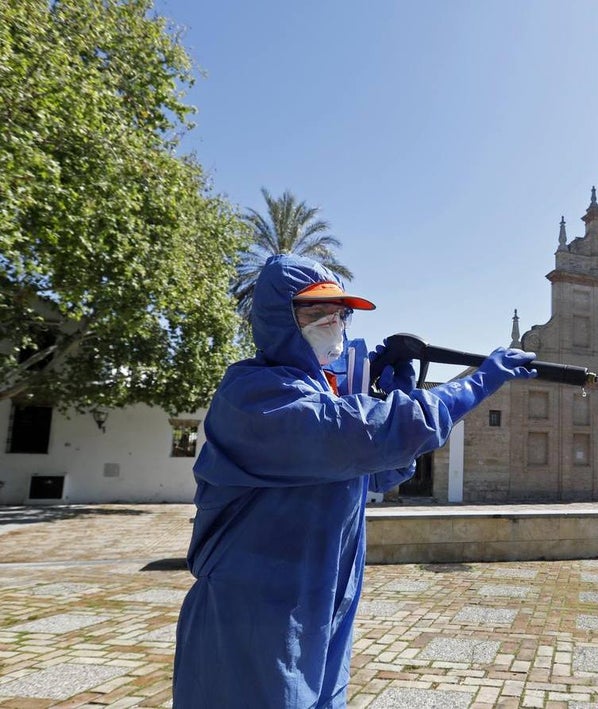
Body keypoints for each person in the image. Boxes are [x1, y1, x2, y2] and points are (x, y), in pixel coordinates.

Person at [172, 254, 536, 707]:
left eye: (339, 313)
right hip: (253, 611)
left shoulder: (321, 392)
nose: (333, 322)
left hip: (321, 604)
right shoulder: (253, 394)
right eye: (315, 311)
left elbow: (377, 468)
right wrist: (476, 383)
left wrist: (387, 392)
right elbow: (372, 432)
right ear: (277, 319)